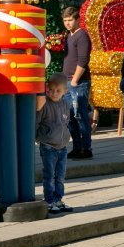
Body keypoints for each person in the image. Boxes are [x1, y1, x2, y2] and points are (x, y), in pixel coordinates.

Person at [36, 73, 73, 214]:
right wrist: (38, 137)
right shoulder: (44, 103)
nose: (54, 93)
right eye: (51, 90)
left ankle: (58, 199)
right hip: (48, 146)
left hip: (62, 146)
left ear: (65, 91)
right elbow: (37, 121)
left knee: (60, 175)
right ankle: (49, 200)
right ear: (47, 88)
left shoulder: (65, 104)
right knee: (49, 175)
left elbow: (66, 121)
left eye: (58, 91)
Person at [62, 6, 93, 159]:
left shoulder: (82, 36)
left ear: (77, 20)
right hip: (67, 82)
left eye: (70, 20)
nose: (67, 23)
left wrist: (74, 80)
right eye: (65, 20)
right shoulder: (69, 36)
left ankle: (86, 148)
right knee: (70, 117)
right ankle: (76, 147)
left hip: (78, 83)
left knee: (80, 115)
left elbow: (83, 60)